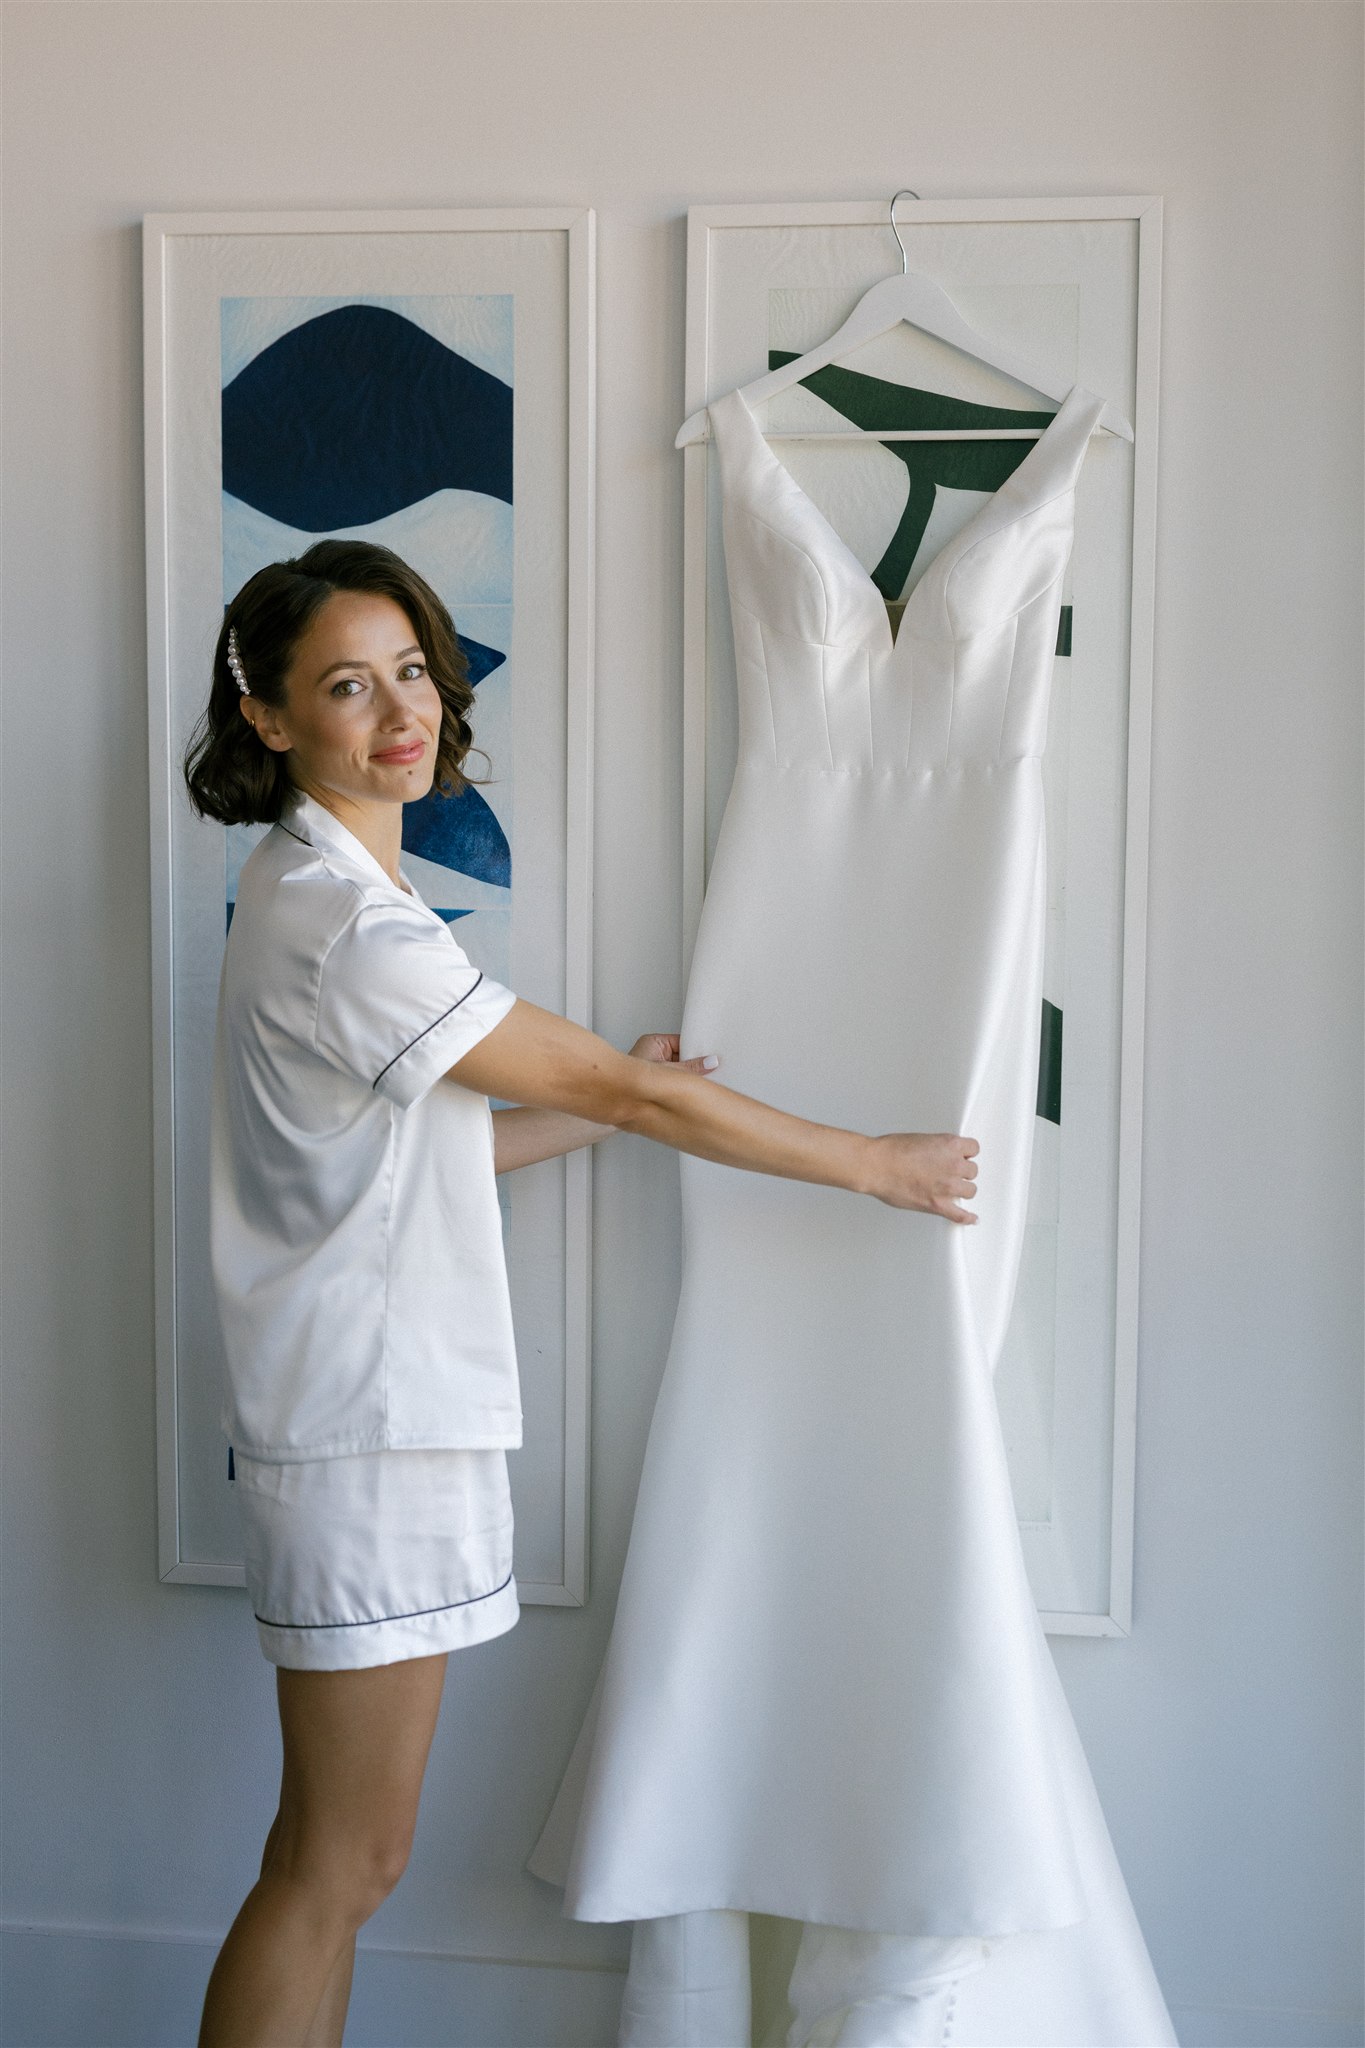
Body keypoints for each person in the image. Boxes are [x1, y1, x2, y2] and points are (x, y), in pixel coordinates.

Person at [185, 538, 979, 2048]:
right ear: (272, 722)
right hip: (366, 1434)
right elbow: (619, 1083)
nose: (398, 710)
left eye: (411, 668)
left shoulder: (317, 895)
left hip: (372, 1419)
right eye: (346, 686)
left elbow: (424, 1156)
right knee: (337, 1864)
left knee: (344, 1860)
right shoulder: (349, 927)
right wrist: (866, 1163)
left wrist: (610, 1105)